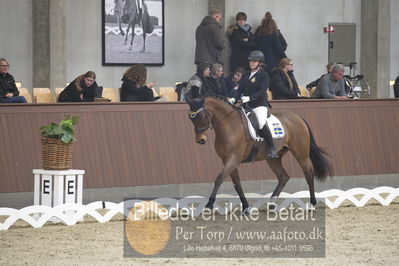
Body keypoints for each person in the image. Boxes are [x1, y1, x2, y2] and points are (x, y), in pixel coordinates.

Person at [229, 50, 278, 159]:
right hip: (246, 104)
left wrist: (250, 97)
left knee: (260, 123)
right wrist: (233, 98)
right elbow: (240, 89)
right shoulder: (246, 74)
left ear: (260, 62)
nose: (251, 63)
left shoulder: (264, 75)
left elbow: (262, 91)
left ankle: (272, 148)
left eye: (254, 61)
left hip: (259, 104)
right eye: (251, 61)